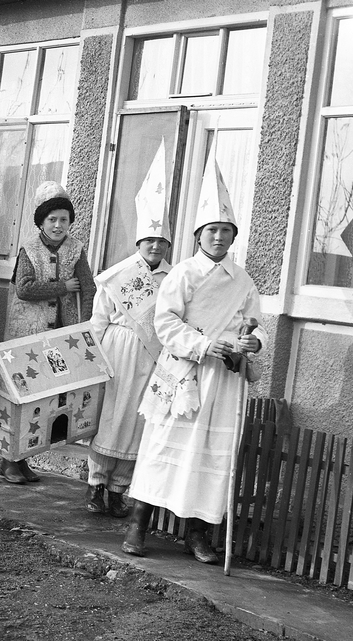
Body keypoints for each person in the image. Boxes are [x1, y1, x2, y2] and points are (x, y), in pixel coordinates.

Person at [124, 159, 265, 564]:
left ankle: (197, 533)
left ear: (233, 235)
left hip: (223, 380)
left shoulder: (243, 281)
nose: (219, 237)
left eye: (225, 230)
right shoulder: (183, 274)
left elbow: (256, 324)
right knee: (163, 447)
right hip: (185, 373)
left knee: (210, 452)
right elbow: (165, 322)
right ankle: (138, 524)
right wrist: (204, 345)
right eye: (212, 230)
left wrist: (253, 342)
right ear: (199, 235)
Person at [84, 156, 173, 517]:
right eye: (149, 240)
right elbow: (98, 321)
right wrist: (94, 360)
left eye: (161, 241)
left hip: (151, 357)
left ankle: (119, 489)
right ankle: (95, 483)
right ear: (139, 241)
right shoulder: (117, 276)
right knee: (110, 415)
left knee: (137, 419)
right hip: (117, 350)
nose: (155, 246)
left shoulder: (174, 279)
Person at [0, 181, 96, 484]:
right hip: (28, 335)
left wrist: (84, 325)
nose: (58, 225)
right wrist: (62, 287)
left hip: (60, 337)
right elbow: (24, 288)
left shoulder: (75, 249)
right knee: (24, 395)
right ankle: (9, 459)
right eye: (52, 219)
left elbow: (88, 287)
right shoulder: (28, 250)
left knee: (48, 397)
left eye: (63, 220)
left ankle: (25, 456)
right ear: (41, 222)